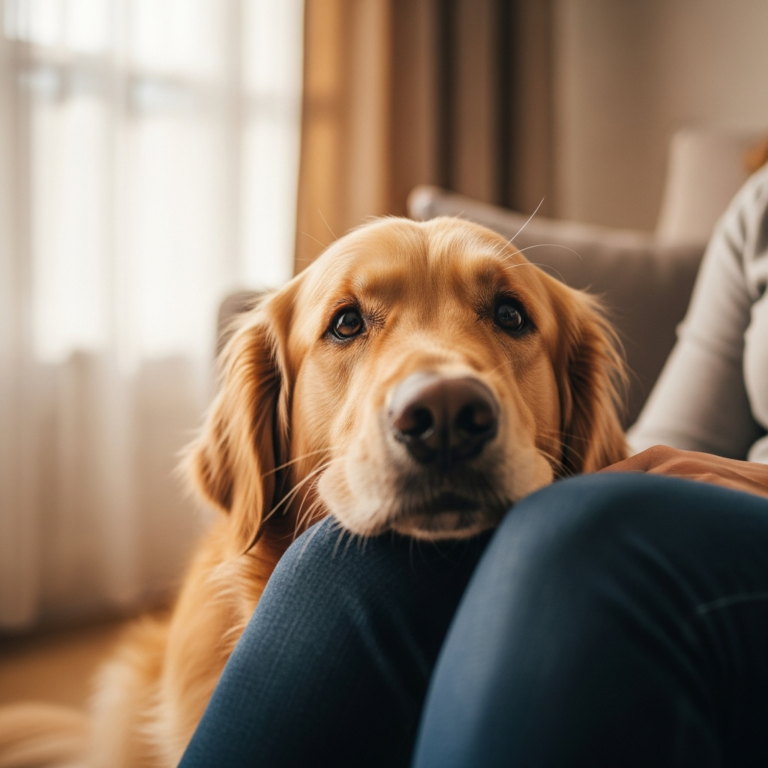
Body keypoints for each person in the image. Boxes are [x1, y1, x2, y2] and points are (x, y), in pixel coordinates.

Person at [178, 163, 768, 767]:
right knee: (330, 563)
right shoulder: (756, 213)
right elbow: (668, 444)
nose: (439, 398)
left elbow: (609, 490)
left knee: (580, 536)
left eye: (508, 317)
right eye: (348, 324)